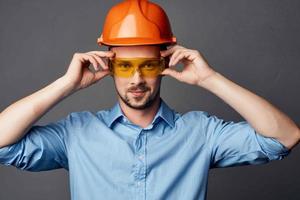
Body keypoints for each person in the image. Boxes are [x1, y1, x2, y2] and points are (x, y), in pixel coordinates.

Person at [0, 0, 299, 199]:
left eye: (149, 65)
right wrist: (66, 85)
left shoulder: (201, 133)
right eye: (125, 66)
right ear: (110, 66)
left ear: (166, 64)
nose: (136, 79)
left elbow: (285, 136)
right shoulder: (77, 133)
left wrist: (210, 79)